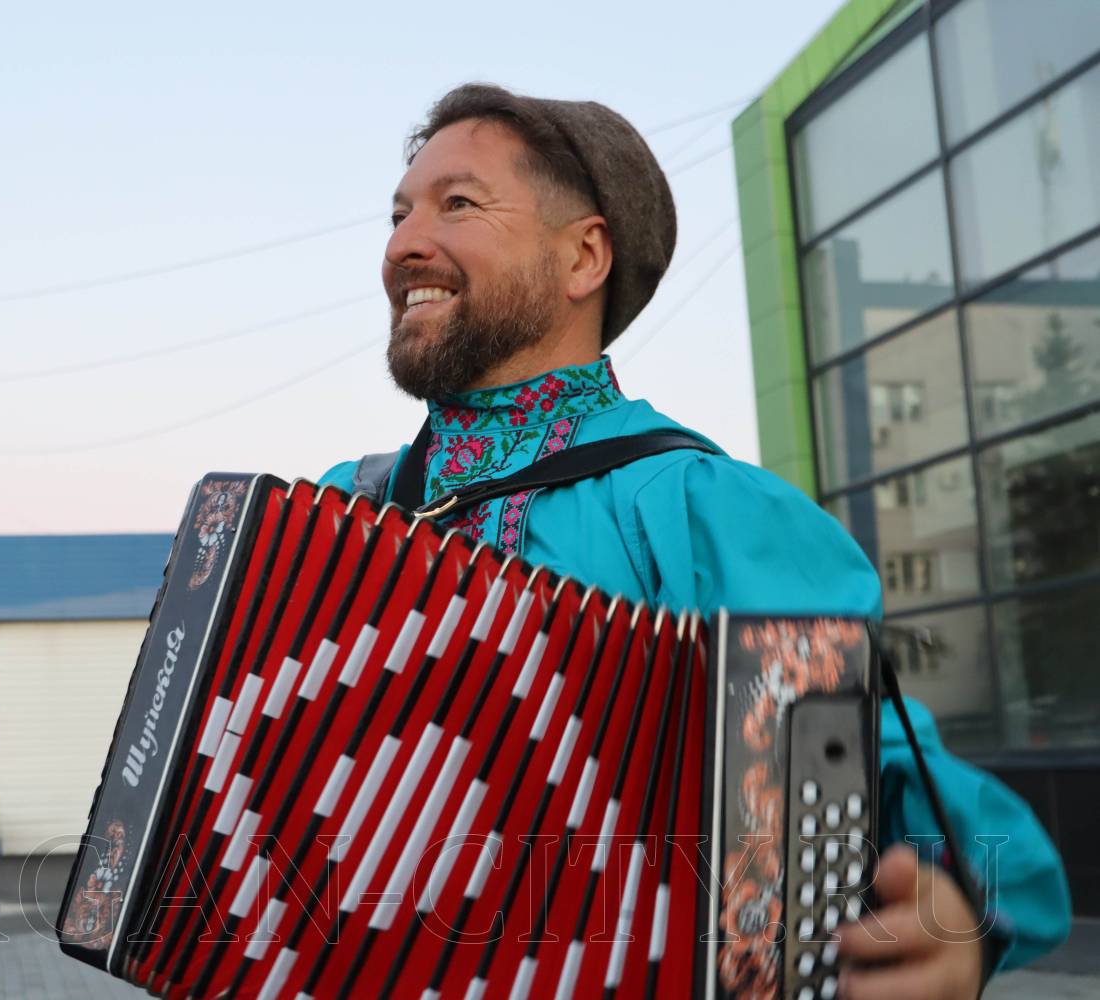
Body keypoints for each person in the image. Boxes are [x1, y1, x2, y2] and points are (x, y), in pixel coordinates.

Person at [320, 83, 1070, 999]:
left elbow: (867, 774)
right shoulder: (335, 513)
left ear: (584, 256)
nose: (403, 244)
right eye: (399, 213)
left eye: (458, 204)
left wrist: (957, 917)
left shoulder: (709, 510)